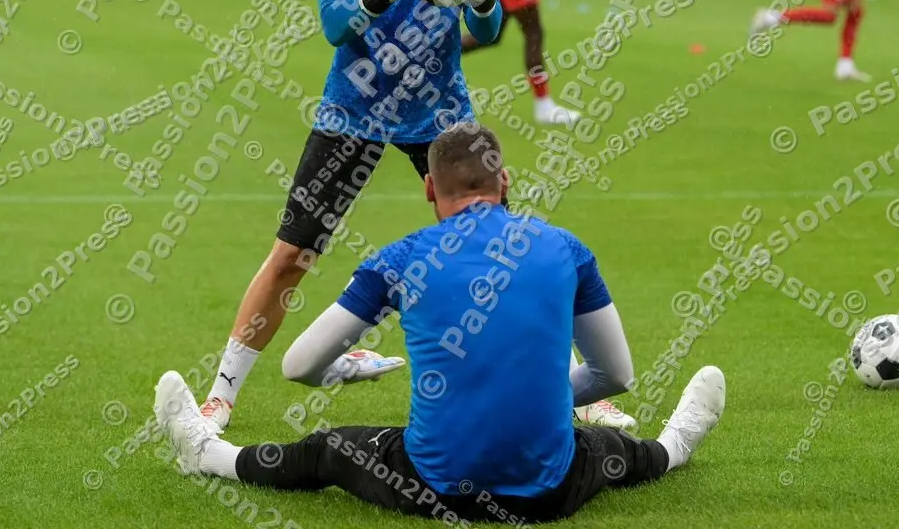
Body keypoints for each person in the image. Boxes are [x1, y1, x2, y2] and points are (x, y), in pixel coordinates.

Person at [196, 0, 635, 436]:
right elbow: (336, 29)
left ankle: (577, 389)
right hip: (354, 110)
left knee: (509, 255)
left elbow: (486, 34)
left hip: (443, 114)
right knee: (293, 254)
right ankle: (221, 396)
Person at [156, 123, 726, 524]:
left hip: (432, 486)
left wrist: (344, 372)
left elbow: (299, 364)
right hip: (548, 495)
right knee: (609, 449)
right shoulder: (564, 248)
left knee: (328, 450)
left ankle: (207, 456)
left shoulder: (402, 257)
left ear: (430, 188)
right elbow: (616, 375)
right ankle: (675, 443)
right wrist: (545, 395)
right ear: (504, 182)